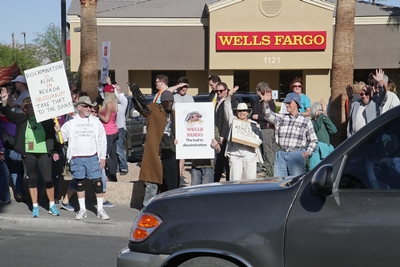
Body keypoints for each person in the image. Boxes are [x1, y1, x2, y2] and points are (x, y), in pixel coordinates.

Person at [1, 90, 60, 217]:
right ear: (24, 110)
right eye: (26, 107)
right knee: (32, 179)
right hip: (29, 153)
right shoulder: (22, 119)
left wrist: (57, 130)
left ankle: (52, 205)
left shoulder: (45, 120)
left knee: (48, 179)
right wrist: (5, 100)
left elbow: (54, 136)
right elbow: (8, 115)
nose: (29, 108)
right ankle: (35, 206)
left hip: (44, 152)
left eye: (31, 106)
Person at [55, 96, 109, 220]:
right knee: (80, 183)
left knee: (98, 182)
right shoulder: (71, 122)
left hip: (92, 157)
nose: (89, 109)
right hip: (77, 157)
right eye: (86, 106)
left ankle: (100, 209)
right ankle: (82, 209)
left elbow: (102, 140)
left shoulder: (96, 122)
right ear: (79, 107)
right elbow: (62, 139)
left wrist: (103, 157)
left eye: (90, 106)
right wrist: (58, 132)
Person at [130, 86, 179, 207]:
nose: (169, 103)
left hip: (170, 150)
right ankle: (148, 206)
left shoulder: (174, 113)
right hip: (156, 151)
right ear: (162, 102)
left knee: (172, 181)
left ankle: (170, 205)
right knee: (153, 181)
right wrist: (136, 96)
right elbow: (142, 109)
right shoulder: (154, 109)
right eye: (167, 101)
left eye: (171, 101)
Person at [264, 92, 318, 176]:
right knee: (279, 183)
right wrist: (266, 103)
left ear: (296, 104)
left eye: (289, 103)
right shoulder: (282, 118)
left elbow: (314, 140)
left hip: (297, 154)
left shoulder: (306, 121)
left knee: (296, 183)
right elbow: (267, 115)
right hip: (281, 154)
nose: (287, 105)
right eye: (286, 103)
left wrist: (306, 153)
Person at [224, 87, 263, 180]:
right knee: (234, 180)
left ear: (247, 112)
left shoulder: (254, 124)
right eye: (239, 111)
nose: (242, 113)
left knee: (251, 180)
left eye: (244, 111)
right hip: (235, 154)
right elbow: (227, 109)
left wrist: (250, 141)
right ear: (236, 112)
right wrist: (229, 95)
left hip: (249, 154)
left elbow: (259, 139)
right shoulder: (233, 121)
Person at [168, 77, 194, 185]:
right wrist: (177, 86)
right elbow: (166, 92)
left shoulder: (190, 98)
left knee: (182, 152)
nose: (184, 89)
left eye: (186, 87)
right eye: (182, 86)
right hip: (174, 128)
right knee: (174, 152)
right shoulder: (173, 96)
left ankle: (179, 174)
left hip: (186, 128)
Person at [347, 69, 387, 137]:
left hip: (370, 140)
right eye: (362, 94)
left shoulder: (376, 103)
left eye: (367, 93)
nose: (364, 96)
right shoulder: (355, 105)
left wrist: (380, 83)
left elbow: (383, 95)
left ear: (371, 93)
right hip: (355, 139)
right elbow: (349, 126)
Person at [253, 82, 276, 176]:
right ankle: (265, 167)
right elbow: (252, 115)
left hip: (267, 129)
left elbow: (271, 116)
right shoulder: (258, 102)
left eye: (257, 91)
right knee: (262, 150)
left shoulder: (270, 103)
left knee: (268, 150)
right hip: (260, 128)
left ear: (260, 91)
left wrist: (258, 116)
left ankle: (271, 169)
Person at [98, 84, 119, 182]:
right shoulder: (115, 103)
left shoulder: (108, 104)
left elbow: (106, 119)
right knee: (113, 155)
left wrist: (98, 114)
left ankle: (107, 175)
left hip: (108, 132)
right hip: (114, 130)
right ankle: (113, 176)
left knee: (106, 155)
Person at [309, 100, 337, 170]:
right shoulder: (311, 122)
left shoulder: (324, 120)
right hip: (316, 152)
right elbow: (316, 128)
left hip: (326, 151)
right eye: (322, 110)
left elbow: (334, 130)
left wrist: (325, 117)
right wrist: (321, 116)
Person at [214, 82, 232, 182]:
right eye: (217, 91)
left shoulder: (226, 102)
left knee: (224, 160)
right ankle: (216, 181)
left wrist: (222, 136)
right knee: (220, 160)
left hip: (223, 136)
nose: (219, 93)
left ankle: (228, 182)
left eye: (221, 91)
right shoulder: (217, 102)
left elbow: (226, 121)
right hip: (217, 134)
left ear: (226, 91)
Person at [113, 84, 129, 175]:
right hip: (114, 128)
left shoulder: (123, 99)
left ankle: (124, 167)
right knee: (115, 149)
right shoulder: (115, 102)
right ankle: (118, 167)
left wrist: (110, 84)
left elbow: (117, 95)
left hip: (120, 128)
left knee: (119, 148)